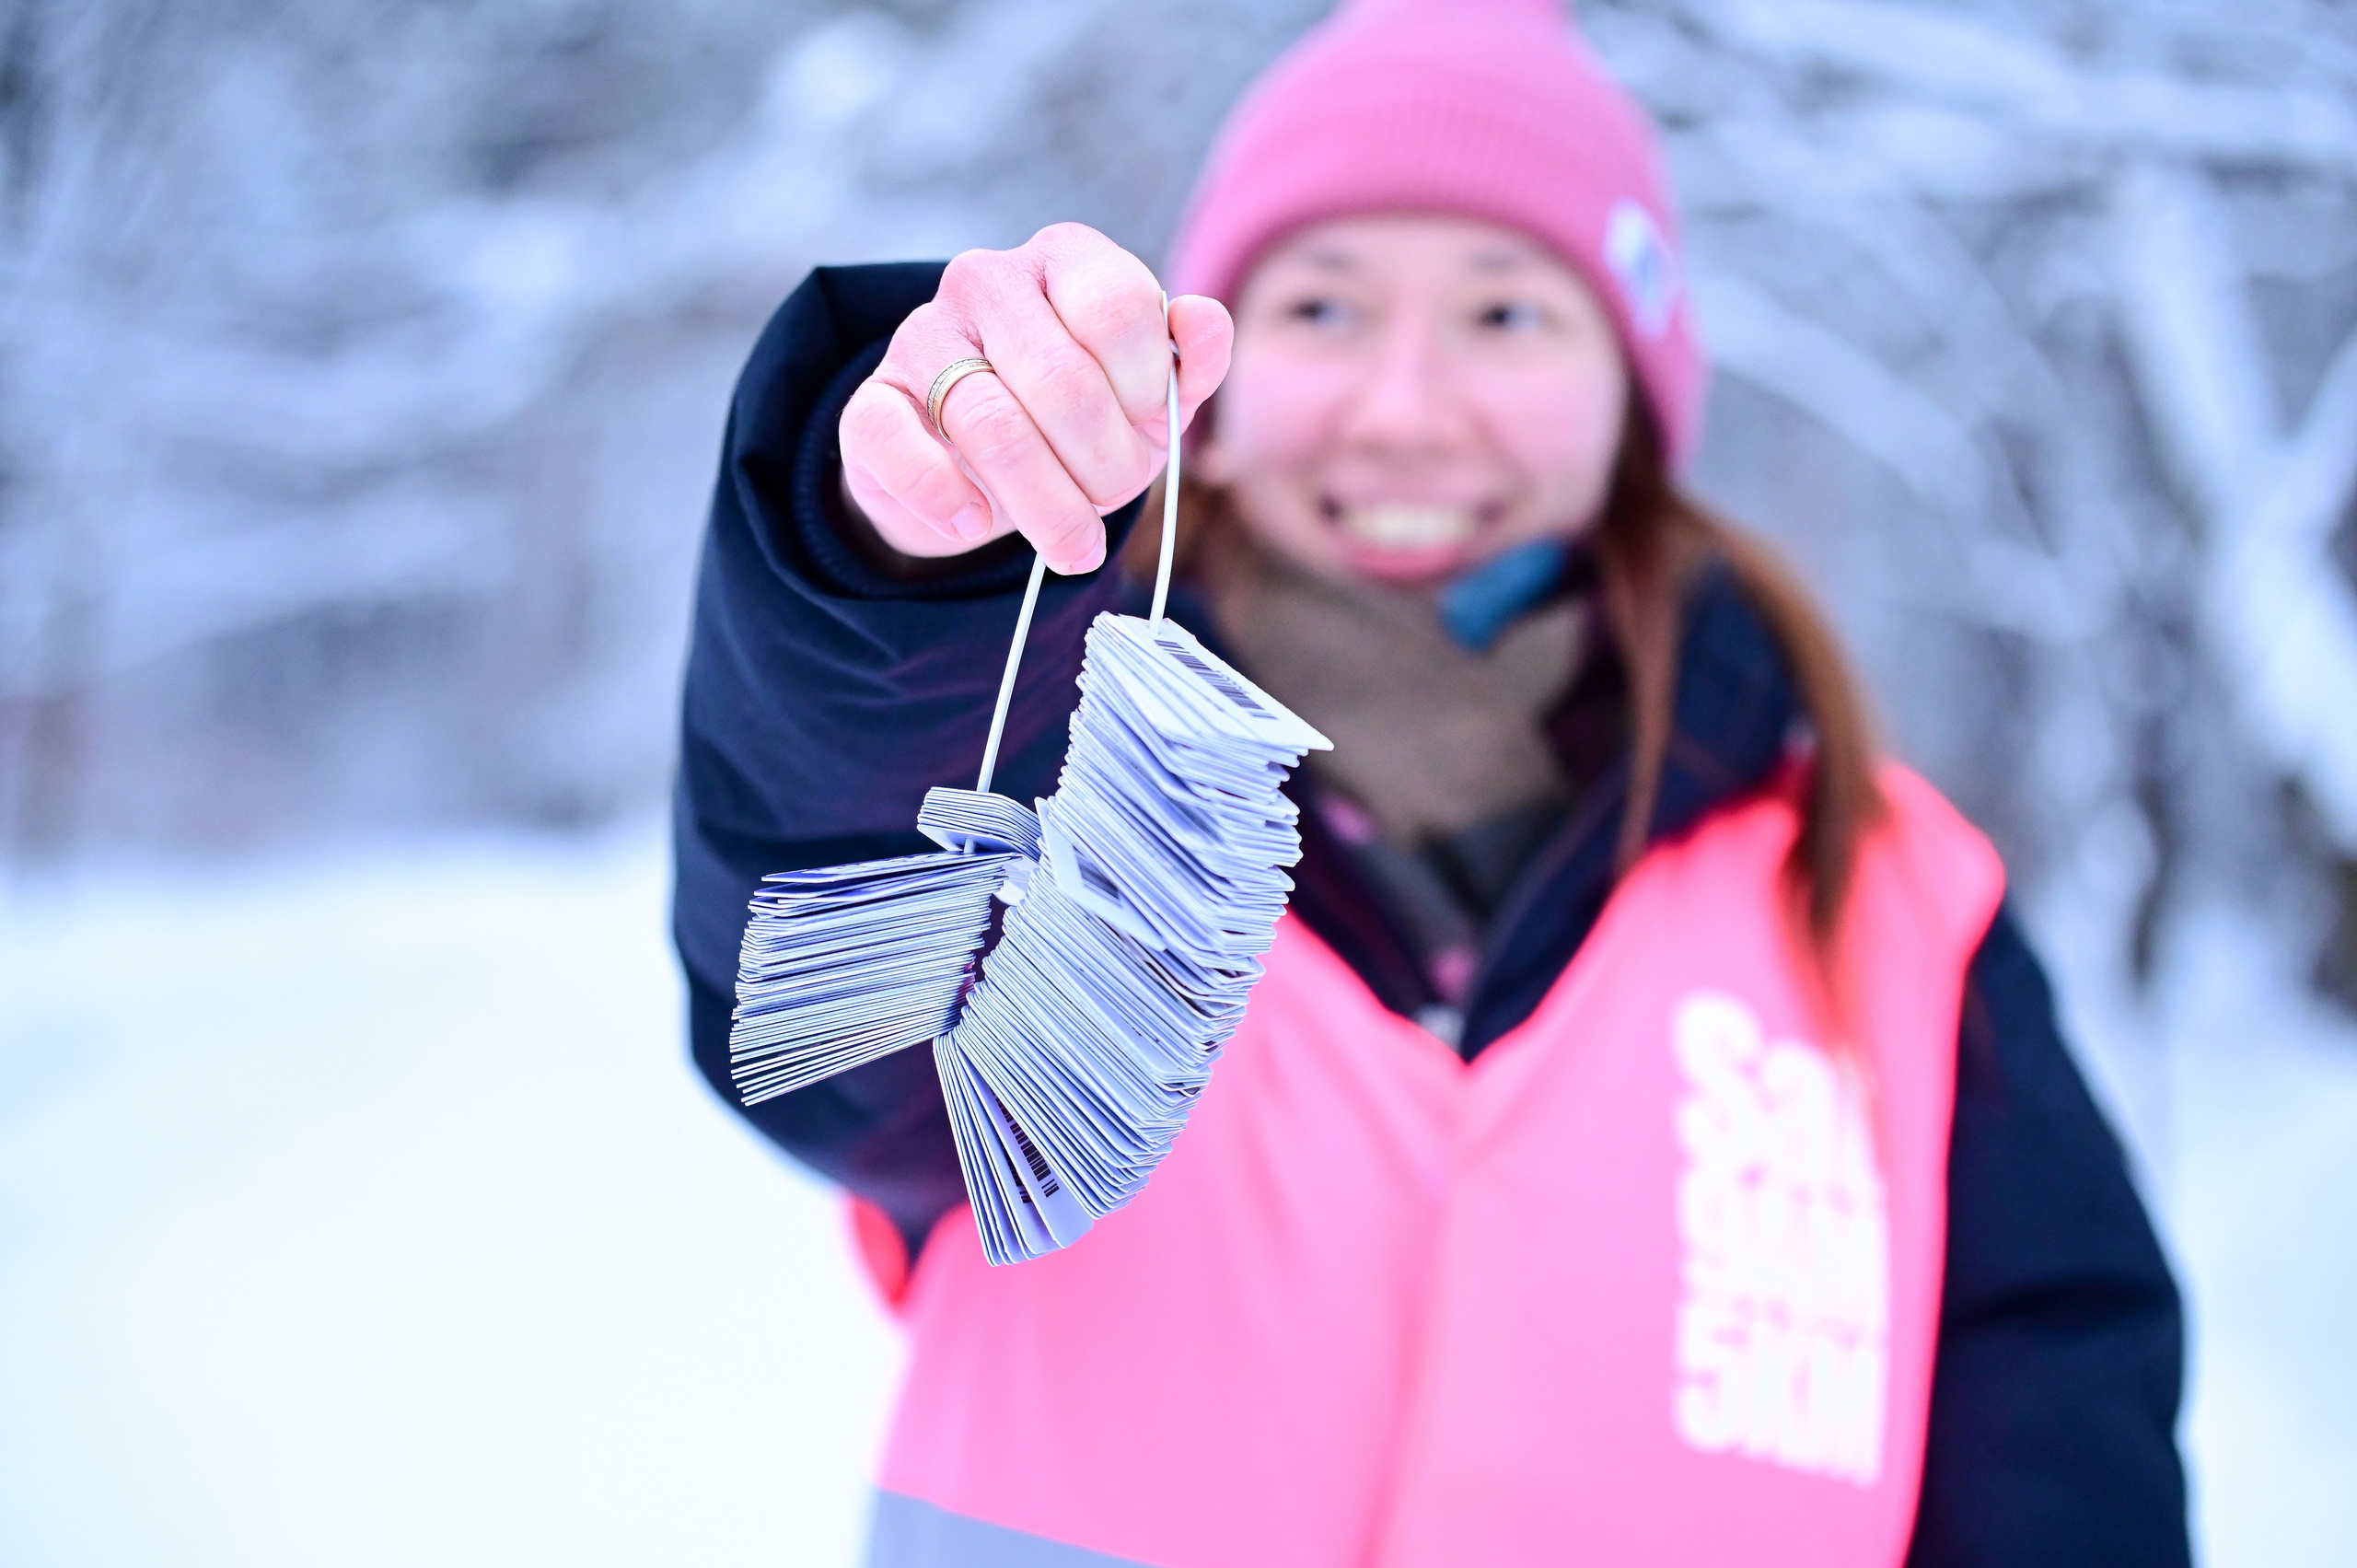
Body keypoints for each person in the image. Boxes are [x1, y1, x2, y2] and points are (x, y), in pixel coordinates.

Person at [670, 1, 2189, 1563]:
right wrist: (895, 564)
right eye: (1324, 308)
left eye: (1504, 315)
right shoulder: (1040, 778)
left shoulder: (1897, 912)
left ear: (1630, 396)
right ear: (1206, 386)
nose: (1404, 408)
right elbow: (827, 1035)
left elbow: (2060, 1445)